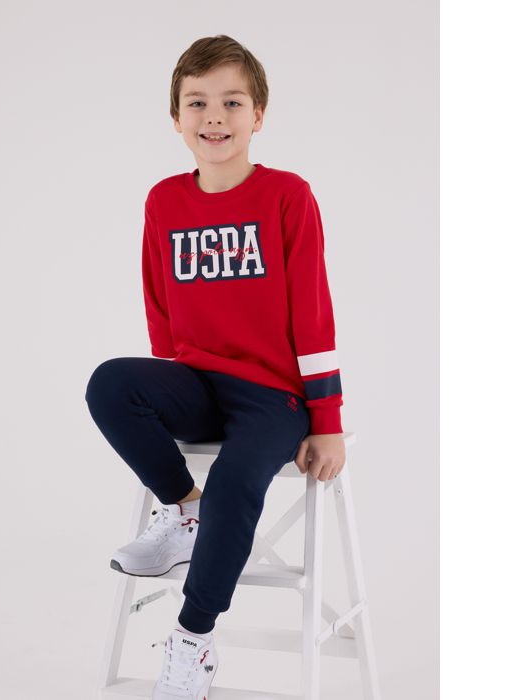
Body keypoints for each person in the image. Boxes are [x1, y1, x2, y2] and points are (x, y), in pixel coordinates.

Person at [85, 34, 346, 700]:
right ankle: (185, 510)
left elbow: (313, 313)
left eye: (232, 102)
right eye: (197, 102)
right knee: (110, 383)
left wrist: (326, 419)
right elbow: (159, 304)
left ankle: (192, 641)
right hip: (199, 382)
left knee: (235, 478)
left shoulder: (287, 196)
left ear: (259, 114)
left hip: (273, 397)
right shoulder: (164, 201)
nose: (214, 117)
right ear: (176, 118)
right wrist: (168, 387)